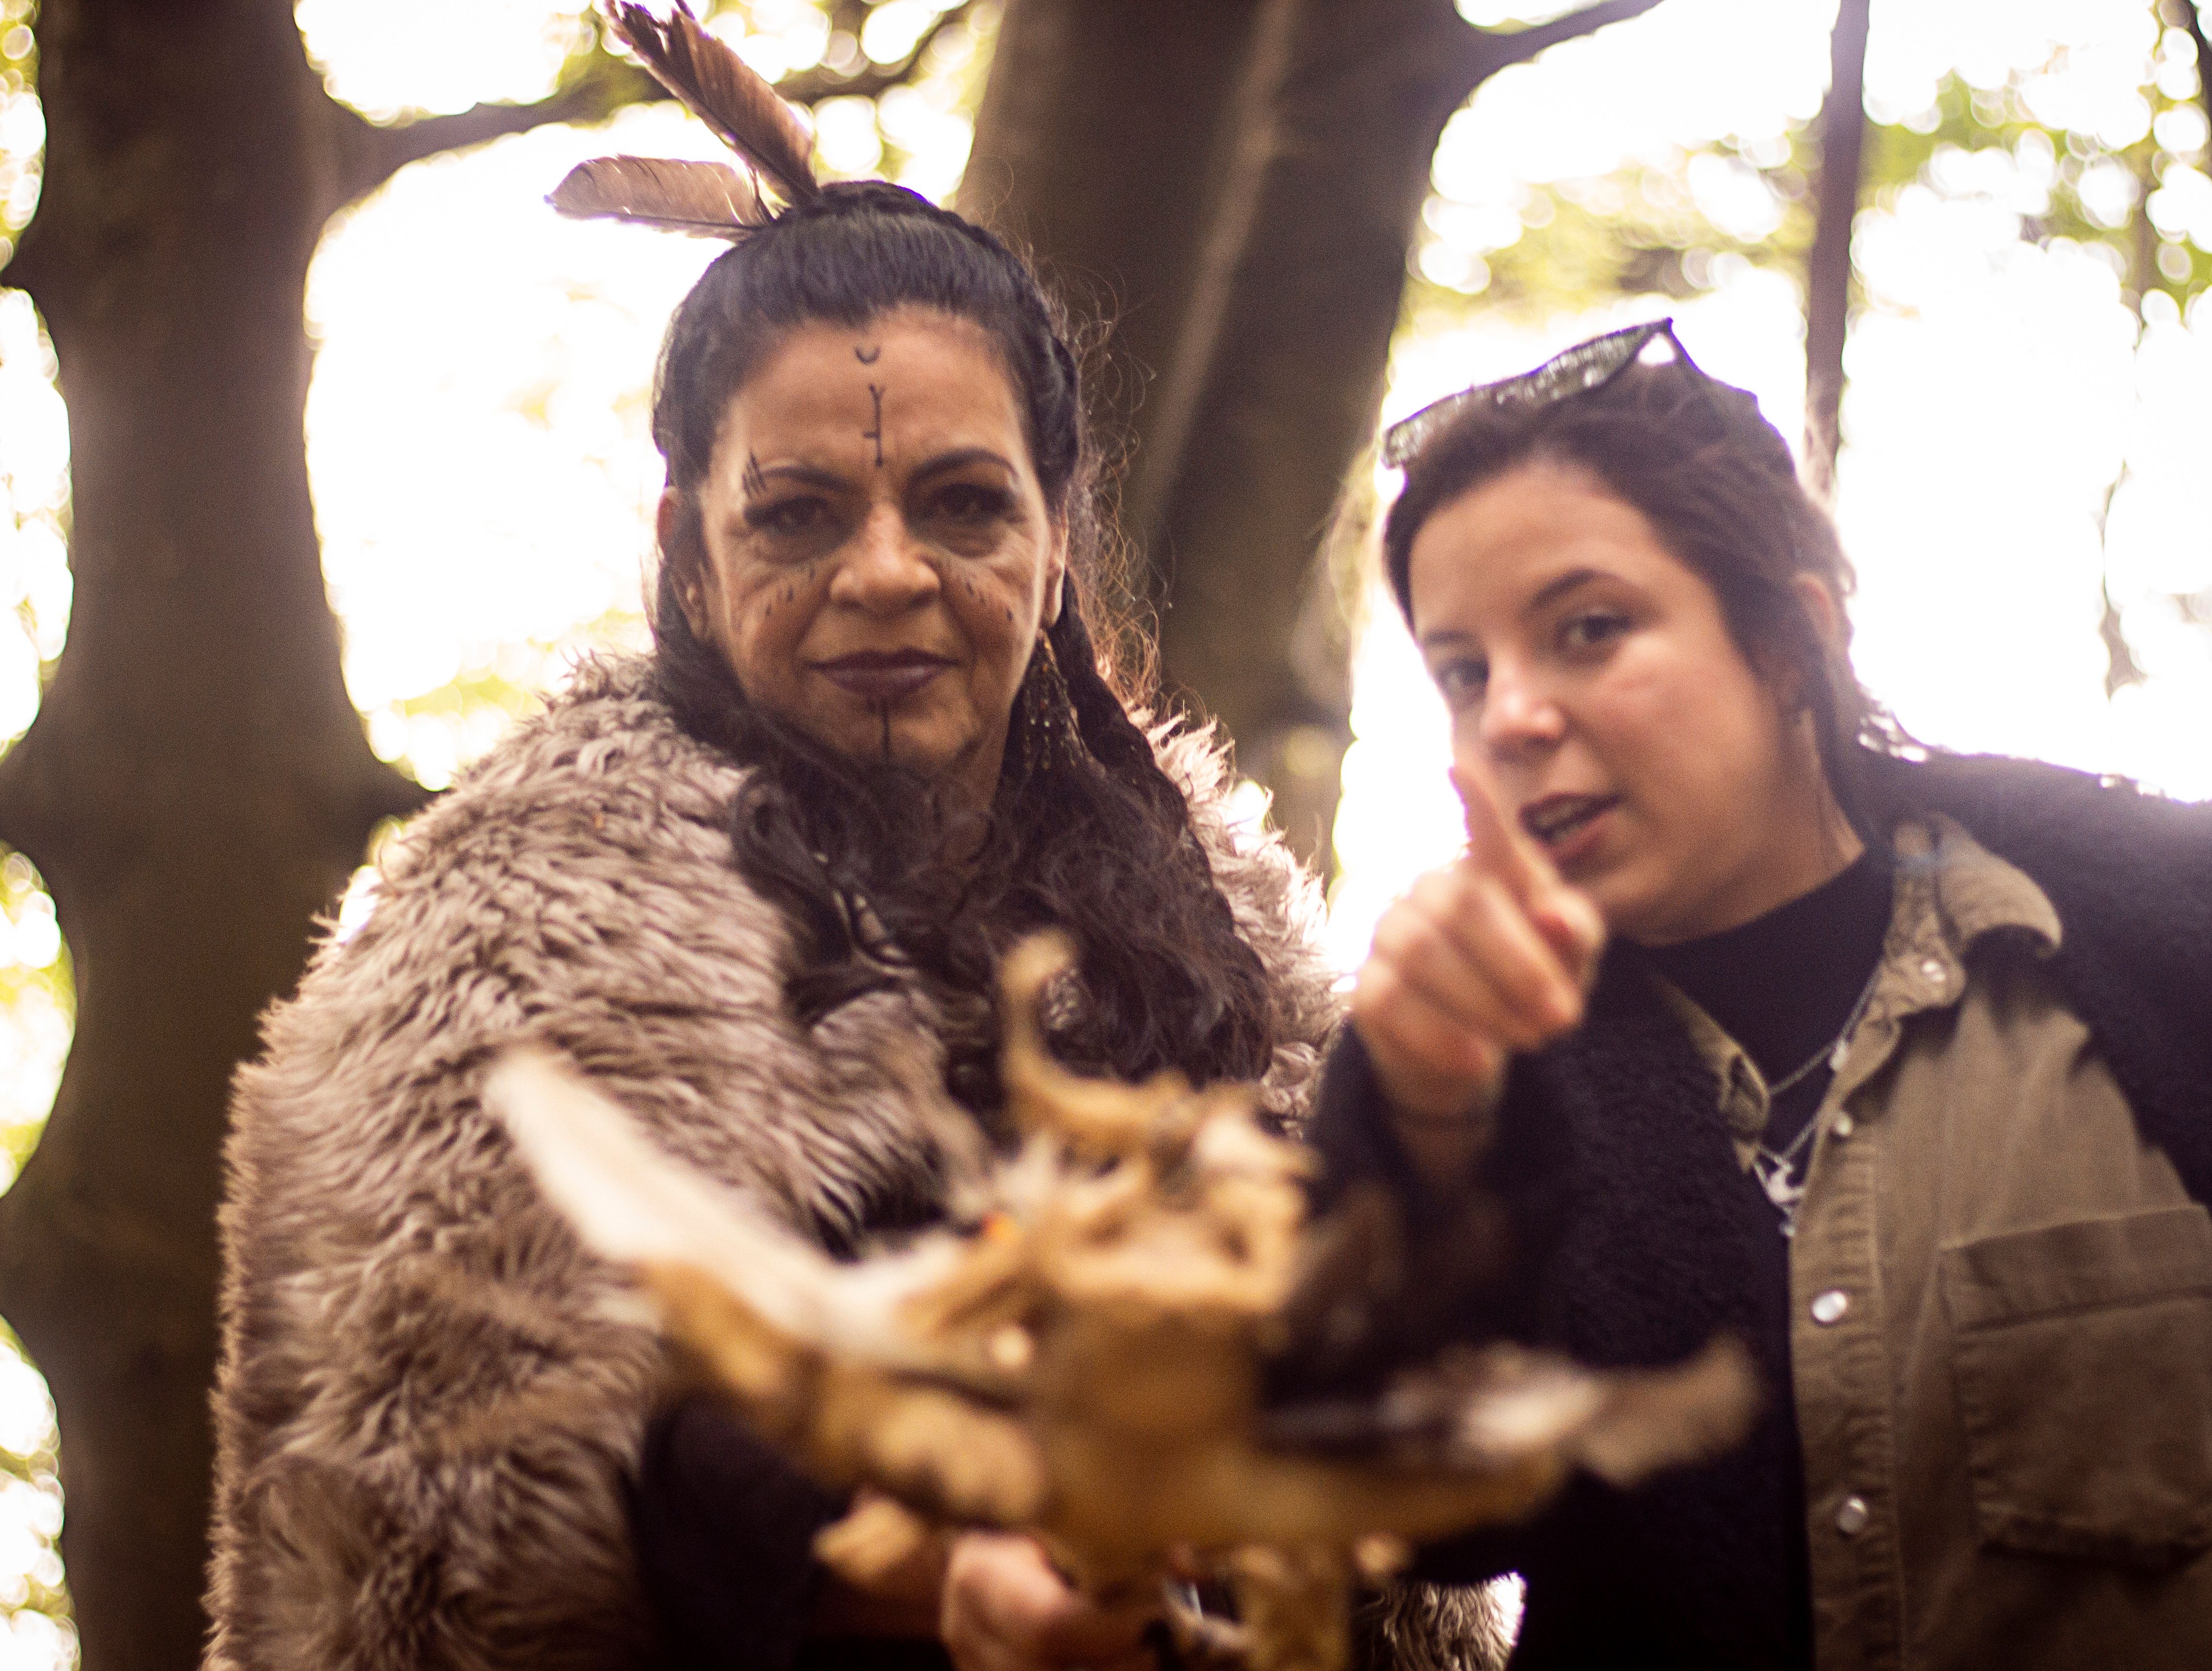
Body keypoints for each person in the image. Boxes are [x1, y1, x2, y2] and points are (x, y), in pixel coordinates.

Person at [196, 159, 1379, 1671]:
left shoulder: (1224, 958)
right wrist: (925, 1552)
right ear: (692, 556)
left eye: (963, 505)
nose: (884, 573)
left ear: (1055, 545)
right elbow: (470, 1501)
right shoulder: (504, 959)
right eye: (799, 516)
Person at [1310, 318, 2212, 1671]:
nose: (1511, 716)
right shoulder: (1484, 1088)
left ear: (1790, 639)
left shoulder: (2200, 986)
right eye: (1464, 673)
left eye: (1589, 629)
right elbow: (1392, 1506)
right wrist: (1416, 1141)